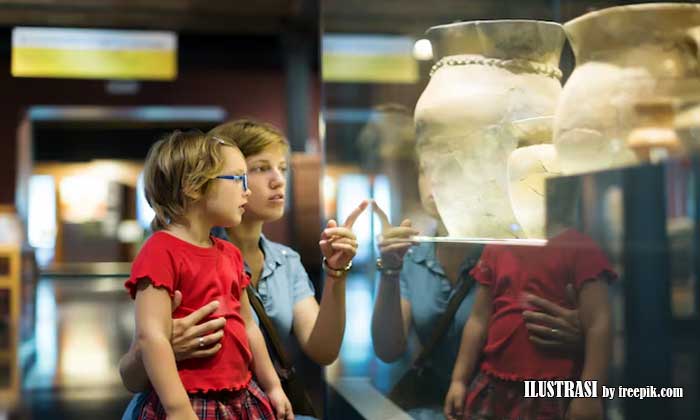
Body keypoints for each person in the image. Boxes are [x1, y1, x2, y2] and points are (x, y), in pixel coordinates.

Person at [119, 120, 368, 419]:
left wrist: (336, 272)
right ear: (197, 182)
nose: (278, 180)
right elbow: (138, 361)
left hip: (242, 396)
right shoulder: (165, 250)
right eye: (259, 169)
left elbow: (321, 349)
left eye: (283, 168)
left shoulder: (273, 259)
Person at [371, 155, 584, 419]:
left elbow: (564, 324)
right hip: (439, 408)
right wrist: (390, 270)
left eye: (448, 168)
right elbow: (388, 350)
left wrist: (581, 337)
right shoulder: (414, 257)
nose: (434, 181)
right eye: (426, 169)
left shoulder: (511, 250)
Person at [124, 129, 292, 420]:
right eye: (237, 178)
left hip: (242, 396)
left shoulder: (229, 253)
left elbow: (249, 327)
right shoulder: (159, 250)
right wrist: (178, 409)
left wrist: (273, 386)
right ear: (193, 186)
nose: (247, 190)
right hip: (188, 401)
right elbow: (151, 336)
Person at [444, 228, 617, 420]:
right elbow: (478, 320)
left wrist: (589, 396)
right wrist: (459, 380)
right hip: (494, 384)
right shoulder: (497, 246)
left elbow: (599, 322)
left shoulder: (578, 247)